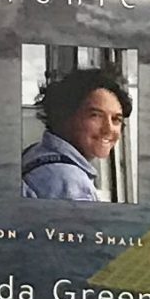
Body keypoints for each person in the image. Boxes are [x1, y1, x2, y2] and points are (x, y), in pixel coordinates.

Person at [20, 65, 131, 202]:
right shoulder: (71, 183)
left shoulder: (35, 153)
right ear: (65, 115)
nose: (108, 129)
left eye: (116, 119)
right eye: (95, 116)